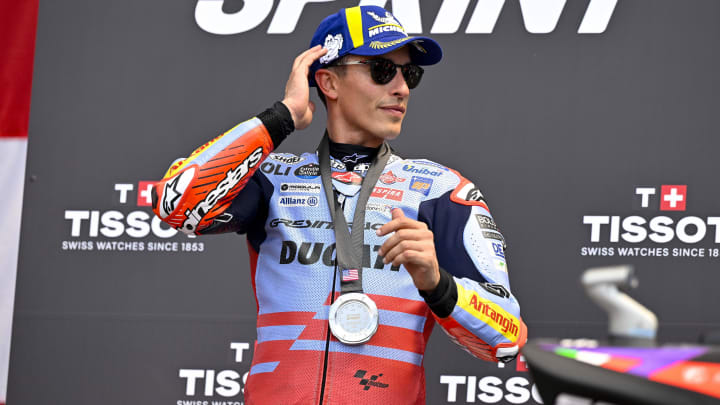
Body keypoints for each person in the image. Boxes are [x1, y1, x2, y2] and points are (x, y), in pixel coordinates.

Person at [151, 6, 526, 404]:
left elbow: (507, 338)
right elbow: (175, 202)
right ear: (328, 81)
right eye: (383, 70)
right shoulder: (273, 178)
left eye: (410, 74)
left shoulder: (440, 190)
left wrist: (437, 283)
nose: (401, 88)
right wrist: (281, 118)